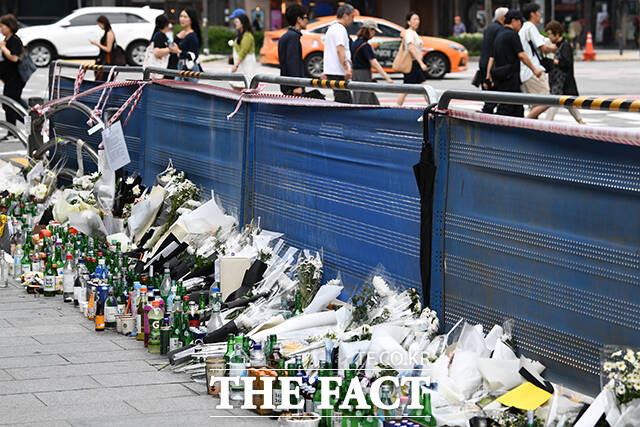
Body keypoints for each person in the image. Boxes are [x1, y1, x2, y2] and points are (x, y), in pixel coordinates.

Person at [485, 10, 542, 118]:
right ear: (514, 20)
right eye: (520, 22)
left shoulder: (499, 35)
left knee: (516, 108)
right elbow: (522, 55)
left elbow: (492, 58)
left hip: (501, 77)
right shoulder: (512, 35)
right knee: (507, 108)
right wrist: (534, 69)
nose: (521, 25)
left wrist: (488, 76)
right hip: (510, 78)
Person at [519, 2, 556, 119]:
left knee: (535, 104)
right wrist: (553, 49)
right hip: (533, 71)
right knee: (548, 100)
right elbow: (543, 48)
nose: (540, 15)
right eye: (539, 12)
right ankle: (524, 123)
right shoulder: (531, 27)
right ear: (532, 14)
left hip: (525, 71)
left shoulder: (523, 28)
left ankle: (531, 129)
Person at [544, 20, 584, 124]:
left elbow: (567, 63)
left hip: (562, 82)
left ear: (557, 33)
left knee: (555, 102)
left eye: (550, 34)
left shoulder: (564, 45)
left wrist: (555, 62)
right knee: (568, 103)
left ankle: (545, 124)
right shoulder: (559, 45)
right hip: (560, 82)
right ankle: (581, 122)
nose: (549, 37)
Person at [351, 19, 393, 105]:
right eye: (374, 31)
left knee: (362, 96)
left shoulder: (355, 43)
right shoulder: (365, 46)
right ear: (369, 30)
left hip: (355, 73)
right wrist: (387, 77)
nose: (374, 34)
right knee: (364, 99)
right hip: (364, 74)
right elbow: (374, 63)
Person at [322, 3, 355, 103]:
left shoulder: (332, 28)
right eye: (352, 16)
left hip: (333, 70)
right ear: (345, 15)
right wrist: (346, 69)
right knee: (345, 101)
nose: (353, 20)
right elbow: (340, 49)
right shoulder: (340, 29)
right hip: (338, 71)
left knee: (341, 99)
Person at [478, 7, 508, 114]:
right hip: (492, 64)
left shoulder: (489, 28)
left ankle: (487, 111)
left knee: (488, 92)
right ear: (503, 17)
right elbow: (497, 50)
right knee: (495, 91)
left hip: (483, 62)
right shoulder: (500, 29)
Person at [397, 11, 429, 106]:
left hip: (415, 64)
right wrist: (421, 63)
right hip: (412, 64)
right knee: (406, 90)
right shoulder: (409, 33)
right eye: (414, 19)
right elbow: (411, 48)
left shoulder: (413, 33)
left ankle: (433, 107)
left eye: (418, 19)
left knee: (425, 88)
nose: (417, 21)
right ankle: (396, 107)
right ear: (408, 22)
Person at [0, 14, 24, 127]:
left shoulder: (14, 40)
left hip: (16, 78)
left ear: (9, 26)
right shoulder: (7, 39)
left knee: (10, 104)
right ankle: (32, 124)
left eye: (2, 26)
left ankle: (32, 124)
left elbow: (14, 58)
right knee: (12, 103)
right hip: (9, 78)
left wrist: (3, 48)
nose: (1, 28)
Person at [278, 4, 308, 95]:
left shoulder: (287, 35)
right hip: (293, 88)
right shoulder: (293, 37)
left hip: (287, 84)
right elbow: (292, 62)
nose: (307, 20)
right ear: (299, 19)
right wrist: (297, 86)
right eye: (306, 17)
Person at [173, 8, 202, 79]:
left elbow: (194, 56)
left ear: (191, 19)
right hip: (180, 66)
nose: (182, 19)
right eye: (181, 16)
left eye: (185, 17)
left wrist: (178, 51)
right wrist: (177, 38)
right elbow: (174, 45)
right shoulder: (180, 33)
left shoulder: (192, 36)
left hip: (190, 70)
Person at [230, 12, 256, 91]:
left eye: (237, 22)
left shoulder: (247, 35)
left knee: (242, 87)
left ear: (243, 23)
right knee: (237, 86)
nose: (236, 24)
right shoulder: (241, 34)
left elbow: (243, 52)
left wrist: (236, 65)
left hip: (245, 65)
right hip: (242, 65)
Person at [90, 15, 116, 81]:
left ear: (103, 23)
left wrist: (97, 44)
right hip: (103, 60)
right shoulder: (107, 32)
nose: (99, 26)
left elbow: (108, 49)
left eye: (99, 24)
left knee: (104, 80)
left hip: (107, 61)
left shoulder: (109, 33)